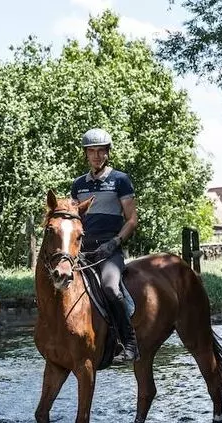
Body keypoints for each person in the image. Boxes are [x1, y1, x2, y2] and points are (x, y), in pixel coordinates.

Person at [71, 128, 140, 361]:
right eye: (92, 152)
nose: (97, 156)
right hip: (84, 251)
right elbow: (73, 220)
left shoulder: (120, 180)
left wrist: (115, 242)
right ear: (86, 154)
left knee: (110, 288)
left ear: (107, 153)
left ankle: (129, 342)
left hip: (109, 250)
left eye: (101, 151)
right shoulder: (78, 185)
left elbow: (132, 219)